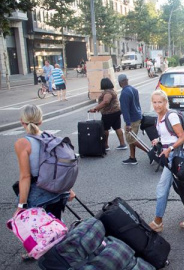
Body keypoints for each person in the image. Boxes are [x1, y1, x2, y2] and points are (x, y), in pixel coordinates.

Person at [13, 105, 75, 258]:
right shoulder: (50, 137)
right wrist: (69, 189)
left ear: (22, 121)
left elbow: (25, 176)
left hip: (40, 193)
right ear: (41, 121)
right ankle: (60, 255)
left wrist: (21, 205)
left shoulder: (23, 143)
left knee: (35, 228)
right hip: (59, 191)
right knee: (55, 223)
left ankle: (38, 252)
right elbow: (60, 167)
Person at [148, 90, 184, 232]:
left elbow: (182, 137)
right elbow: (168, 135)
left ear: (166, 102)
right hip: (169, 155)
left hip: (175, 155)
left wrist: (169, 148)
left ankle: (158, 222)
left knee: (162, 188)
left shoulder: (172, 116)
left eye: (160, 102)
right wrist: (158, 140)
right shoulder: (158, 117)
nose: (157, 105)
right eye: (155, 102)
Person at [88, 78, 128, 151]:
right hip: (116, 112)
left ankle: (106, 145)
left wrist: (96, 108)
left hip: (108, 113)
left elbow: (106, 102)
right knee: (117, 128)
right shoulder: (112, 91)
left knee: (105, 129)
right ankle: (122, 144)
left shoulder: (107, 93)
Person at [118, 74, 148, 165]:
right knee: (131, 138)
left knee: (131, 139)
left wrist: (128, 124)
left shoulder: (124, 93)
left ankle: (150, 152)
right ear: (127, 80)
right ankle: (132, 157)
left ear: (120, 82)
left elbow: (125, 110)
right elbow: (136, 104)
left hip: (132, 119)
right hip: (137, 116)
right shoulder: (133, 89)